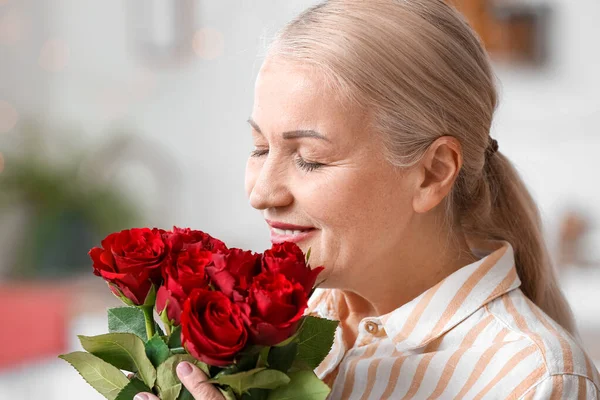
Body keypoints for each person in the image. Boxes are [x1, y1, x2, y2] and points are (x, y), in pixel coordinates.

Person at [137, 0, 600, 399]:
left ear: (432, 173)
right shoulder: (280, 326)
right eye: (260, 148)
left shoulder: (532, 380)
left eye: (311, 159)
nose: (261, 194)